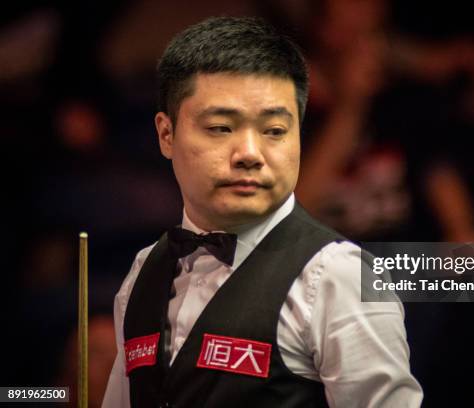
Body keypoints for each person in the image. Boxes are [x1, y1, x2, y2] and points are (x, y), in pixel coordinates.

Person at [102, 16, 422, 408]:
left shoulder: (339, 278)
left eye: (274, 130)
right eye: (221, 127)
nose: (250, 154)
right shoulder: (142, 273)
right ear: (166, 134)